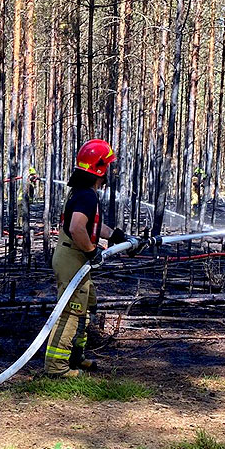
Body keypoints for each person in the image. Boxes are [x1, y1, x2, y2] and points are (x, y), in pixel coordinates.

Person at [45, 139, 139, 378]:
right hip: (73, 258)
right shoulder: (87, 196)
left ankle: (75, 358)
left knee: (85, 306)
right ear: (100, 169)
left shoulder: (82, 193)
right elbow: (77, 229)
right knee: (71, 309)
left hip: (73, 257)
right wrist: (91, 251)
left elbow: (89, 226)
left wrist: (116, 236)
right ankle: (57, 368)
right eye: (107, 166)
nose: (109, 172)